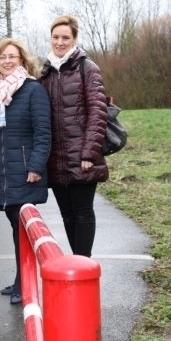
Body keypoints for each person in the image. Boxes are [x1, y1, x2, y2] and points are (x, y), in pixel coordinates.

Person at [0, 38, 51, 305]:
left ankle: (25, 283)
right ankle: (22, 279)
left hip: (25, 172)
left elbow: (43, 132)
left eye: (12, 57)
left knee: (23, 230)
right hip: (1, 172)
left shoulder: (33, 90)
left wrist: (36, 166)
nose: (7, 61)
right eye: (2, 57)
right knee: (16, 229)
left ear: (22, 61)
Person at [39, 14, 109, 257]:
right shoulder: (44, 73)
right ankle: (77, 260)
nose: (60, 42)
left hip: (82, 155)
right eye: (56, 37)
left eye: (65, 38)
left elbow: (98, 112)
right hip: (56, 158)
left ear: (74, 39)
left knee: (83, 211)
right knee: (66, 213)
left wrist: (89, 151)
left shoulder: (87, 68)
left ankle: (83, 263)